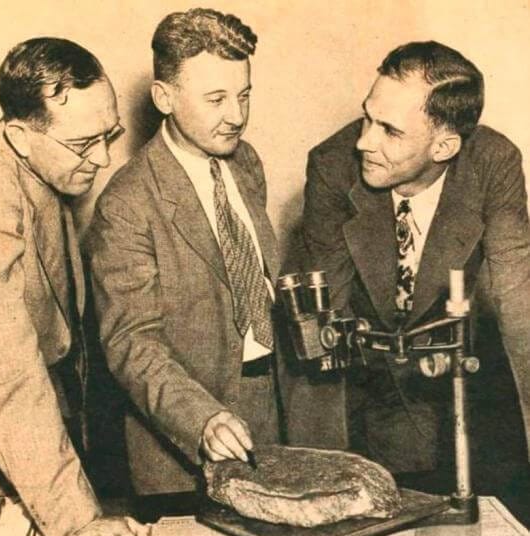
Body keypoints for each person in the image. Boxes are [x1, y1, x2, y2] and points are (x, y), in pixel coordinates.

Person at [0, 37, 148, 536]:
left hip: (16, 453)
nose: (105, 158)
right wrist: (78, 521)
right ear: (21, 135)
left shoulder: (38, 161)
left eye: (109, 135)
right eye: (86, 144)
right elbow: (8, 373)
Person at [299, 41, 530, 473]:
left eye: (390, 130)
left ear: (443, 148)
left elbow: (520, 306)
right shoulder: (333, 166)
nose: (365, 141)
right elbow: (323, 321)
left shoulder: (494, 164)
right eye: (368, 116)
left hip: (462, 397)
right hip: (373, 396)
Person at [86, 8, 282, 494]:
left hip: (269, 413)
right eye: (216, 98)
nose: (236, 115)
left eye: (244, 95)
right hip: (185, 440)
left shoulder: (246, 162)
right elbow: (132, 343)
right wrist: (203, 420)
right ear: (164, 98)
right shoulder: (127, 204)